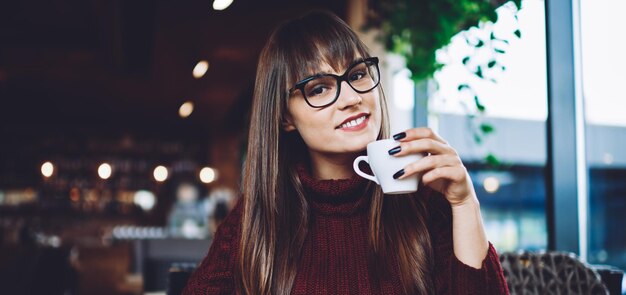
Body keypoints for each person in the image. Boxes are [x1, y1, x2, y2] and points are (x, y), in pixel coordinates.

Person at [183, 10, 508, 295]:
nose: (352, 97)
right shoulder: (256, 219)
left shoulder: (424, 202)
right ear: (285, 118)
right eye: (319, 88)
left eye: (356, 75)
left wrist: (464, 203)